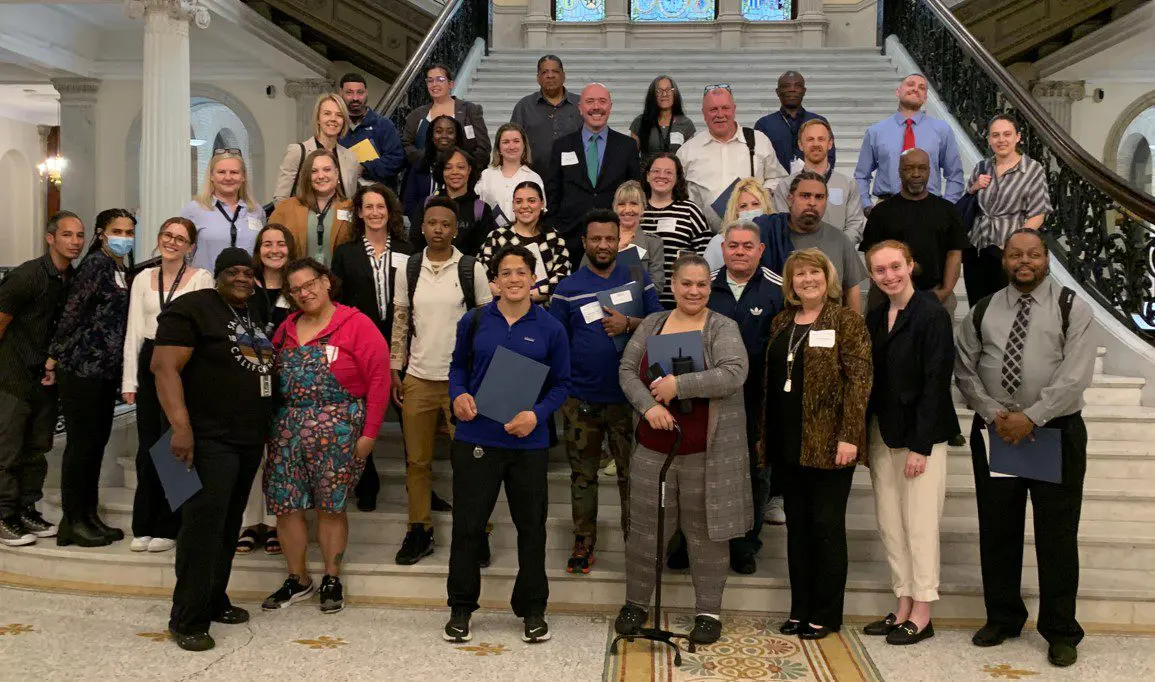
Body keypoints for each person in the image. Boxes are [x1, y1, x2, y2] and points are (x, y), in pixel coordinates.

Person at [954, 229, 1095, 669]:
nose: (1024, 261)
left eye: (1033, 254)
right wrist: (997, 414)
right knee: (998, 530)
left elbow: (1075, 375)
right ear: (1004, 260)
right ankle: (1003, 617)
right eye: (1016, 254)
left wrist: (1032, 416)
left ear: (1046, 258)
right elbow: (965, 369)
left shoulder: (1073, 308)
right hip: (998, 432)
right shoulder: (982, 310)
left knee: (1056, 536)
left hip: (1055, 432)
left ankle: (1061, 630)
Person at [614, 253, 751, 646]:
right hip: (653, 451)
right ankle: (635, 604)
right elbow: (627, 369)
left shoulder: (722, 326)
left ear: (710, 288)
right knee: (644, 532)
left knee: (706, 535)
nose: (694, 291)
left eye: (702, 284)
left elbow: (733, 373)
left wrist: (680, 386)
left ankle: (708, 612)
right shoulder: (655, 323)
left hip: (704, 453)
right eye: (686, 284)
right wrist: (651, 406)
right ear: (672, 286)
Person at [444, 244, 570, 645]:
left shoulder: (550, 327)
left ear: (534, 280)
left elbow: (562, 384)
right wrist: (458, 394)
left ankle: (533, 609)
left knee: (531, 529)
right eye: (506, 273)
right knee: (467, 528)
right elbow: (457, 367)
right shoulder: (475, 320)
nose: (514, 279)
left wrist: (537, 414)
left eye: (522, 272)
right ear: (494, 282)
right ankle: (461, 608)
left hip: (527, 444)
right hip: (476, 438)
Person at [153, 247, 275, 652]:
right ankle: (186, 617)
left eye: (248, 271)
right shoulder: (192, 308)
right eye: (233, 271)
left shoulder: (251, 311)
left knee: (227, 526)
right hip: (205, 438)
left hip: (245, 438)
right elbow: (164, 367)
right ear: (217, 275)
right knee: (202, 528)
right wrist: (180, 428)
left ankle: (214, 599)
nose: (242, 277)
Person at [262, 258, 390, 615]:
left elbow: (379, 382)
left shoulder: (356, 324)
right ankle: (297, 578)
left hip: (340, 429)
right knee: (287, 506)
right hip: (287, 430)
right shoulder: (285, 329)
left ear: (326, 282)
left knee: (331, 507)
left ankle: (332, 577)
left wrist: (370, 434)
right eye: (296, 290)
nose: (305, 293)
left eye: (310, 284)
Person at [762, 248, 871, 640]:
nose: (807, 279)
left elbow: (859, 382)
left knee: (826, 527)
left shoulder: (845, 321)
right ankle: (799, 609)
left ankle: (825, 613)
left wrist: (849, 435)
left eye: (815, 273)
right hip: (788, 441)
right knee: (798, 529)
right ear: (790, 282)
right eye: (800, 274)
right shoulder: (781, 321)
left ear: (829, 279)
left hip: (829, 443)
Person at [550, 209, 662, 573]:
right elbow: (556, 342)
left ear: (619, 240)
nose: (602, 245)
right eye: (595, 239)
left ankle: (637, 544)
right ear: (584, 242)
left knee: (633, 476)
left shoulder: (637, 277)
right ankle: (584, 542)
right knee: (583, 476)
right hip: (580, 399)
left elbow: (661, 325)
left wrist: (629, 323)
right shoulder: (567, 288)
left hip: (630, 401)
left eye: (609, 239)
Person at [862, 240, 958, 645]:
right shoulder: (876, 314)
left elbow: (936, 382)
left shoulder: (932, 314)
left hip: (922, 437)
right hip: (884, 432)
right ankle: (902, 602)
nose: (889, 275)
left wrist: (921, 446)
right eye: (880, 270)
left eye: (895, 267)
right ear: (871, 275)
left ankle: (922, 610)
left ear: (911, 265)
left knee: (919, 525)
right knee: (890, 524)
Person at [390, 196, 492, 565]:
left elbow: (486, 324)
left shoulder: (471, 268)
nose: (438, 230)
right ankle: (419, 530)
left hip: (460, 382)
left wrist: (479, 376)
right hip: (418, 377)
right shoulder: (410, 268)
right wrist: (394, 369)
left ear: (455, 229)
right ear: (422, 227)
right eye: (432, 223)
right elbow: (401, 320)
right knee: (416, 462)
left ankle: (475, 532)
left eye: (446, 224)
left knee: (469, 461)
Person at [122, 217, 213, 553]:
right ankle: (143, 523)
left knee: (174, 441)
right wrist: (129, 379)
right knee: (148, 445)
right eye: (166, 235)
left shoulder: (201, 278)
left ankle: (171, 525)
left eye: (180, 238)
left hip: (183, 363)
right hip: (149, 359)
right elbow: (132, 331)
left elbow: (204, 328)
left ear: (190, 247)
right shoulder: (143, 278)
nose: (171, 242)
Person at [48, 208, 136, 548]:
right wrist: (54, 356)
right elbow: (73, 312)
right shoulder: (96, 264)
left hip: (102, 372)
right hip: (82, 369)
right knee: (81, 447)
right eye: (118, 231)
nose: (124, 237)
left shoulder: (116, 266)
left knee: (94, 446)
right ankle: (73, 521)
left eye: (129, 232)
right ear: (102, 232)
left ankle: (87, 515)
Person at [0, 212, 84, 547]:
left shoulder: (71, 279)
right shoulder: (28, 275)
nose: (75, 242)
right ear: (50, 238)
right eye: (67, 235)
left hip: (45, 378)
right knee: (7, 449)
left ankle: (25, 509)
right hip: (13, 375)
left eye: (79, 236)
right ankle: (4, 516)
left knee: (37, 447)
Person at [706, 220, 784, 574]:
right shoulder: (703, 286)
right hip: (709, 399)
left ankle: (745, 545)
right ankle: (700, 542)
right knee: (704, 472)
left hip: (759, 400)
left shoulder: (779, 290)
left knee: (755, 473)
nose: (739, 252)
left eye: (747, 246)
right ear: (723, 249)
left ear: (760, 250)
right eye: (733, 245)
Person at [332, 184, 414, 513]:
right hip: (360, 345)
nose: (375, 212)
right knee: (363, 414)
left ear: (390, 211)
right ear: (360, 213)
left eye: (381, 206)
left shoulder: (409, 249)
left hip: (402, 344)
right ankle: (367, 482)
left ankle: (417, 481)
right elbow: (337, 301)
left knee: (410, 417)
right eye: (369, 207)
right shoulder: (345, 253)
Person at [236, 223, 297, 554]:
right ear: (258, 250)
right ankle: (249, 522)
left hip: (286, 381)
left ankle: (275, 523)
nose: (275, 249)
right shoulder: (245, 286)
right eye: (267, 244)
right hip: (248, 380)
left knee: (279, 455)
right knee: (251, 454)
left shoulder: (298, 285)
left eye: (281, 243)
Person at [859, 148, 969, 316]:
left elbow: (954, 253)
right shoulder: (881, 212)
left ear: (930, 171)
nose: (916, 174)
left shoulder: (947, 210)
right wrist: (888, 288)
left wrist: (944, 292)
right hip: (887, 297)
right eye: (908, 168)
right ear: (899, 172)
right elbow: (870, 255)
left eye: (922, 168)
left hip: (935, 294)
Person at [546, 83, 641, 268]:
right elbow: (552, 191)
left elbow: (634, 191)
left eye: (602, 101)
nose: (596, 107)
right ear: (580, 108)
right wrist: (557, 227)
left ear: (610, 107)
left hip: (613, 241)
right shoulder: (562, 146)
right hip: (570, 239)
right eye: (590, 101)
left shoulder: (627, 146)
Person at [963, 114, 1052, 305]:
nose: (1001, 140)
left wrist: (1014, 247)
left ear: (1017, 137)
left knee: (1006, 310)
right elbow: (969, 199)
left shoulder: (1032, 169)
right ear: (989, 139)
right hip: (976, 249)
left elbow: (1037, 214)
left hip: (1008, 253)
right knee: (977, 310)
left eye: (1007, 134)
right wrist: (974, 187)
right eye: (995, 135)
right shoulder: (982, 166)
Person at [676, 85, 787, 230]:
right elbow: (676, 194)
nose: (720, 114)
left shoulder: (758, 141)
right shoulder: (687, 150)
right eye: (713, 109)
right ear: (703, 113)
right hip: (703, 236)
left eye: (725, 108)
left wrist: (760, 196)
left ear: (734, 109)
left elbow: (778, 178)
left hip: (753, 233)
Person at [756, 172, 868, 311]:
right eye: (805, 196)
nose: (812, 203)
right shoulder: (770, 233)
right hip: (779, 324)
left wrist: (855, 330)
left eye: (819, 197)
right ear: (790, 199)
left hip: (829, 327)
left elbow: (852, 291)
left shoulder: (839, 239)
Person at [854, 73, 964, 213]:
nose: (915, 89)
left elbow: (955, 175)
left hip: (930, 208)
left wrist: (946, 207)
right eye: (910, 84)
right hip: (887, 208)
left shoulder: (942, 130)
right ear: (898, 92)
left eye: (922, 87)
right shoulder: (876, 131)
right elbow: (861, 175)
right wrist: (866, 205)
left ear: (925, 97)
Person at [772, 119, 865, 244]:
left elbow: (855, 225)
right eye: (810, 139)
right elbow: (782, 226)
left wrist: (836, 247)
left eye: (821, 139)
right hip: (799, 257)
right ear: (800, 144)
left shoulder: (848, 184)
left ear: (830, 143)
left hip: (838, 256)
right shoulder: (785, 185)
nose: (816, 144)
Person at [640, 153, 712, 308]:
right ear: (647, 176)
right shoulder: (635, 210)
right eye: (656, 171)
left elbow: (706, 256)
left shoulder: (690, 211)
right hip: (640, 301)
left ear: (678, 178)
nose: (662, 176)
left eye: (668, 172)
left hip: (680, 302)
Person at [480, 181, 571, 302]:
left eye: (531, 201)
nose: (524, 206)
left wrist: (523, 296)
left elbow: (562, 281)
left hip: (544, 314)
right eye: (519, 201)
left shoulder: (554, 238)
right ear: (513, 206)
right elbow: (482, 276)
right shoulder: (496, 236)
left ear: (542, 204)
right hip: (502, 311)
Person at [183, 149, 266, 270]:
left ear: (243, 177)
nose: (228, 177)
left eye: (234, 172)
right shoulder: (194, 210)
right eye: (221, 172)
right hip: (207, 285)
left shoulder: (256, 211)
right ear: (211, 176)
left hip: (246, 285)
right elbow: (182, 252)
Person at [272, 92, 361, 204]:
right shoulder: (297, 152)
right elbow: (281, 198)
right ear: (318, 119)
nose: (333, 119)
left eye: (339, 115)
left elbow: (350, 200)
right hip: (303, 220)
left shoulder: (351, 157)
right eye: (327, 113)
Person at [270, 149, 354, 264]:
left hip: (339, 280)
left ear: (337, 173)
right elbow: (269, 246)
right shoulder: (286, 208)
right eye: (314, 171)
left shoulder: (352, 208)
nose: (321, 176)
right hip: (296, 279)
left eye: (327, 170)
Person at [579, 181, 665, 292]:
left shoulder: (653, 243)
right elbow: (582, 276)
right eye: (622, 204)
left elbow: (657, 287)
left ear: (643, 207)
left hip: (639, 307)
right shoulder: (598, 238)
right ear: (615, 208)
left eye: (634, 204)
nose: (627, 209)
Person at [401, 63, 490, 171]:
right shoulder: (416, 115)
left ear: (451, 84)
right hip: (424, 177)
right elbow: (406, 145)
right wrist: (426, 158)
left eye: (440, 79)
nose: (434, 84)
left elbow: (483, 148)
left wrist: (466, 168)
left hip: (462, 177)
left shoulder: (470, 111)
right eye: (430, 80)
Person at [412, 147, 495, 256]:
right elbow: (415, 243)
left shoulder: (481, 209)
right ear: (442, 171)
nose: (454, 172)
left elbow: (485, 251)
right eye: (448, 167)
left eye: (460, 167)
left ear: (469, 170)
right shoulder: (427, 204)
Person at [510, 54, 582, 176]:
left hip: (574, 179)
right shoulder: (524, 106)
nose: (550, 75)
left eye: (555, 71)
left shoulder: (580, 105)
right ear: (538, 78)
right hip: (533, 179)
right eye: (544, 72)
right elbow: (512, 142)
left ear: (563, 76)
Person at [755, 71, 836, 172]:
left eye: (797, 86)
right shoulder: (764, 125)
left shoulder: (819, 122)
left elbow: (830, 157)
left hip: (813, 183)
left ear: (804, 91)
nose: (792, 89)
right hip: (777, 185)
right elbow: (758, 162)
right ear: (777, 92)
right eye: (786, 86)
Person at [338, 72, 406, 190]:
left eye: (360, 93)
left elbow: (397, 160)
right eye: (349, 93)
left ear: (366, 93)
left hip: (379, 195)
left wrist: (365, 167)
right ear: (340, 93)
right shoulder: (335, 126)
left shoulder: (383, 125)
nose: (355, 98)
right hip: (343, 196)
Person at [402, 115, 466, 229]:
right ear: (432, 136)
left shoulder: (465, 165)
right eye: (438, 131)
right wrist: (424, 226)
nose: (444, 136)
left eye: (450, 132)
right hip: (422, 227)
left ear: (456, 137)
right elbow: (409, 202)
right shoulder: (419, 164)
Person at [476, 122, 545, 225]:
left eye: (516, 141)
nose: (511, 146)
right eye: (506, 142)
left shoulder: (534, 178)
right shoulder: (486, 176)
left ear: (524, 146)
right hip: (490, 237)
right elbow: (477, 211)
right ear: (498, 147)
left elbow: (541, 212)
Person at [703, 177, 773, 270]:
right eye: (743, 206)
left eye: (755, 204)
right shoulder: (718, 242)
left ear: (765, 207)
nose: (750, 210)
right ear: (735, 211)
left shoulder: (776, 240)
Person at [630, 75, 696, 164]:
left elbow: (690, 159)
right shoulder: (640, 122)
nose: (664, 94)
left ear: (674, 94)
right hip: (646, 176)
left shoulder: (686, 124)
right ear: (652, 95)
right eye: (659, 91)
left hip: (674, 176)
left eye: (668, 90)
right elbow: (631, 158)